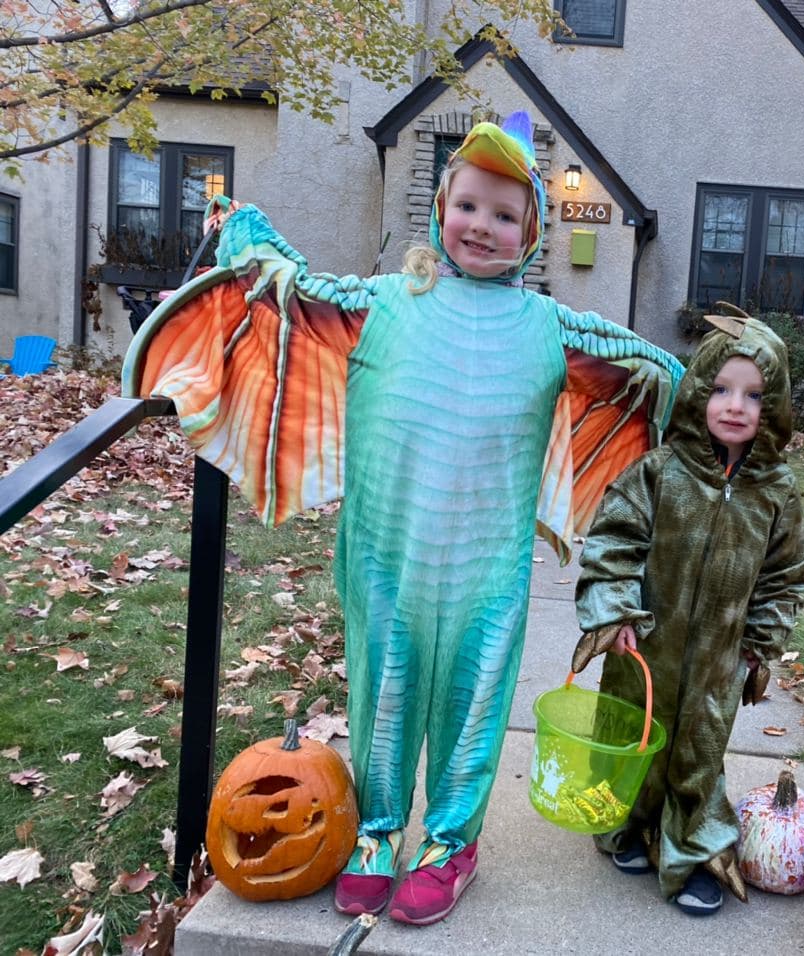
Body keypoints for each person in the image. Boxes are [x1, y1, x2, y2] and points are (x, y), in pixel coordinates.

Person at [125, 111, 682, 927]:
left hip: (490, 568)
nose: (481, 227)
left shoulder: (551, 329)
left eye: (503, 215)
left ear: (529, 233)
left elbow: (660, 376)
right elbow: (297, 293)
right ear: (439, 209)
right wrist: (248, 245)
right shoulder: (383, 301)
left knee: (476, 697)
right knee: (384, 693)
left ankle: (452, 842)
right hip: (386, 553)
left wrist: (723, 393)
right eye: (468, 207)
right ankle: (380, 830)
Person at [571, 311, 804, 916]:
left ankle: (693, 853)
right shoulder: (658, 473)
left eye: (754, 395)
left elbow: (784, 578)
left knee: (698, 757)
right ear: (699, 392)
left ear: (773, 406)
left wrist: (760, 644)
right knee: (632, 738)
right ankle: (625, 825)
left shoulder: (775, 493)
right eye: (722, 390)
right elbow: (613, 541)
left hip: (718, 659)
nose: (736, 406)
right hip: (645, 646)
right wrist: (616, 610)